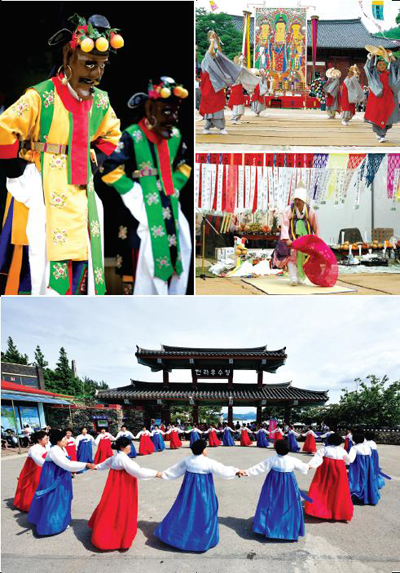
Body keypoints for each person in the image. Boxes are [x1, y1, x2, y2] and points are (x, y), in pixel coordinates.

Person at [0, 13, 122, 295]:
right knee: (36, 255)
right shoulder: (40, 96)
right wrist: (16, 173)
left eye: (102, 66)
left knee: (82, 254)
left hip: (82, 191)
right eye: (89, 64)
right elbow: (5, 128)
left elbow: (112, 134)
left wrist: (96, 161)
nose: (96, 74)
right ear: (69, 55)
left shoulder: (101, 101)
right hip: (40, 183)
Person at [100, 76, 191, 296]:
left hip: (169, 206)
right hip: (138, 209)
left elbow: (185, 165)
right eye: (166, 112)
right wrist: (134, 192)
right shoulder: (133, 135)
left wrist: (173, 186)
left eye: (175, 112)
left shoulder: (175, 136)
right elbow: (109, 168)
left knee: (180, 247)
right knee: (135, 255)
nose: (173, 118)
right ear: (151, 110)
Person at [154, 439, 245, 552]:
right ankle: (200, 539)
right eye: (205, 448)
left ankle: (176, 534)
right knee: (204, 512)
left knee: (184, 510)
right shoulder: (208, 462)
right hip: (203, 491)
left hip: (188, 491)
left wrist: (163, 474)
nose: (207, 450)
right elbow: (223, 470)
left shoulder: (187, 460)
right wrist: (236, 471)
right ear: (202, 450)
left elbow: (175, 469)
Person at [89, 436, 162, 550]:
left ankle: (105, 528)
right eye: (128, 445)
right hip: (123, 486)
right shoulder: (123, 459)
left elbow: (104, 464)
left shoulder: (116, 456)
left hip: (115, 485)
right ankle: (118, 536)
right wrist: (155, 473)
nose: (130, 447)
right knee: (122, 507)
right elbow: (138, 471)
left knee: (111, 505)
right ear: (123, 447)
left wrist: (96, 467)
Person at [28, 429, 93, 535]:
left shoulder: (60, 448)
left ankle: (62, 521)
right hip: (55, 479)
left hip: (62, 477)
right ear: (58, 441)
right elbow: (67, 464)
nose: (66, 440)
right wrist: (85, 465)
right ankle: (52, 525)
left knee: (64, 498)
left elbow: (68, 463)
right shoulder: (54, 451)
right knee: (55, 500)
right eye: (64, 439)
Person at [245, 440, 310, 541]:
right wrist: (311, 465)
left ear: (276, 449)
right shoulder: (293, 460)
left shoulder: (272, 459)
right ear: (288, 449)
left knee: (270, 503)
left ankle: (267, 528)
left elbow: (259, 467)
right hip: (289, 484)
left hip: (273, 483)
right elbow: (304, 467)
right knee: (289, 505)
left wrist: (246, 472)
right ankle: (287, 530)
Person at [200, 31, 259, 135]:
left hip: (216, 86)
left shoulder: (216, 58)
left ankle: (221, 127)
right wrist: (212, 42)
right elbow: (210, 53)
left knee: (217, 104)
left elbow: (219, 54)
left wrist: (216, 42)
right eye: (211, 37)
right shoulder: (207, 57)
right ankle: (207, 127)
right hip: (209, 85)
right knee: (209, 106)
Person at [272, 183, 320, 286]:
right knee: (291, 256)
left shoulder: (311, 211)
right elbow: (284, 224)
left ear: (304, 201)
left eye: (299, 200)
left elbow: (315, 226)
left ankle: (299, 277)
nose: (297, 202)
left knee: (303, 258)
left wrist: (316, 241)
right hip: (291, 238)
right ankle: (293, 277)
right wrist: (286, 239)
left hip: (305, 239)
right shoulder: (289, 209)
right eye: (295, 199)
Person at [305, 433, 353, 521]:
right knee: (338, 489)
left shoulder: (324, 449)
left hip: (326, 469)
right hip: (339, 469)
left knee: (322, 487)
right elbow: (348, 460)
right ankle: (338, 512)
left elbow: (317, 458)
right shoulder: (342, 450)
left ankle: (321, 509)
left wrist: (310, 465)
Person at [364, 46, 400, 143]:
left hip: (388, 97)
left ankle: (382, 132)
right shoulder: (374, 73)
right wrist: (372, 56)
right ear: (376, 66)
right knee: (377, 115)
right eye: (380, 65)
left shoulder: (390, 73)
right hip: (377, 97)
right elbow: (369, 67)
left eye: (384, 65)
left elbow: (396, 68)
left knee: (388, 115)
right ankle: (380, 134)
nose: (382, 67)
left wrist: (391, 57)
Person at [13, 431, 50, 512]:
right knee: (32, 486)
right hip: (34, 470)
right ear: (39, 440)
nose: (47, 439)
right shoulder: (34, 448)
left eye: (48, 438)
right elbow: (37, 460)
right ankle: (29, 505)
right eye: (46, 438)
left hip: (43, 468)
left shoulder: (46, 446)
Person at [348, 433, 380, 505]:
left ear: (354, 440)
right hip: (368, 465)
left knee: (357, 480)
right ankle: (368, 496)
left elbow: (351, 459)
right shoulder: (367, 447)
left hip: (358, 466)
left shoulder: (354, 448)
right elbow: (370, 455)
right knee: (368, 480)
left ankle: (358, 495)